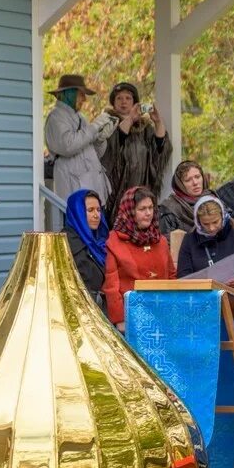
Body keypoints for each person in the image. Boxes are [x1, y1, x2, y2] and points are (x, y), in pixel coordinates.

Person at [102, 186, 175, 331]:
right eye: (142, 209)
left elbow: (171, 276)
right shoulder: (114, 241)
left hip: (162, 314)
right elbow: (111, 286)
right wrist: (120, 319)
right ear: (130, 212)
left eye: (150, 208)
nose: (148, 213)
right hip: (132, 317)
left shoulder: (159, 240)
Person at [101, 82, 171, 219]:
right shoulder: (106, 124)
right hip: (117, 193)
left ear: (135, 103)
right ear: (113, 102)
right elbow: (112, 148)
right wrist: (130, 119)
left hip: (142, 189)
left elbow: (160, 149)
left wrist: (157, 122)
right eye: (119, 98)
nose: (123, 102)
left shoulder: (144, 129)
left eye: (128, 98)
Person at [44, 74, 114, 203]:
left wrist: (100, 139)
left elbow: (96, 153)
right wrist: (95, 126)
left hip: (92, 193)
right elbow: (68, 146)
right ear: (69, 93)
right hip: (75, 192)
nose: (84, 99)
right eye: (81, 94)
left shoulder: (81, 117)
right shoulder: (55, 117)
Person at [176, 196, 234, 292]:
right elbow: (183, 276)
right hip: (200, 299)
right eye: (206, 224)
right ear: (198, 222)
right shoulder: (189, 241)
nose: (211, 228)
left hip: (232, 299)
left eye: (215, 222)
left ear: (222, 216)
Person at [63, 188, 108, 311]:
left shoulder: (100, 242)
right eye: (90, 210)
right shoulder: (65, 243)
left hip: (101, 311)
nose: (96, 215)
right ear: (78, 212)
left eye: (99, 210)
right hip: (79, 312)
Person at [159, 160, 212, 236]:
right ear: (180, 184)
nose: (195, 183)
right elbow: (167, 243)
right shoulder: (170, 209)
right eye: (188, 180)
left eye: (197, 177)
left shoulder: (214, 200)